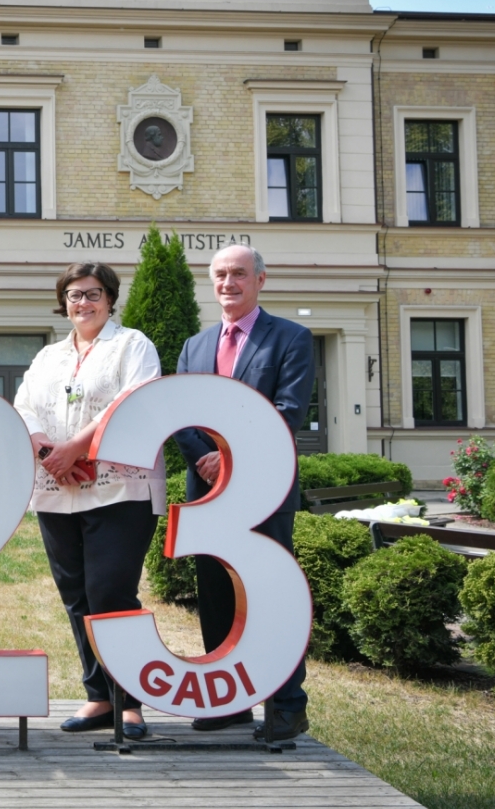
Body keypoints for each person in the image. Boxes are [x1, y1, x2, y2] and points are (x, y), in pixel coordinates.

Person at [13, 261, 165, 741]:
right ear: (64, 302)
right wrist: (48, 452)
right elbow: (24, 406)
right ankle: (99, 696)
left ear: (111, 298)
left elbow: (134, 400)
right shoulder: (48, 357)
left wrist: (76, 448)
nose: (84, 302)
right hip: (58, 491)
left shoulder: (132, 345)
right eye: (75, 294)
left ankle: (130, 701)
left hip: (119, 489)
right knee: (77, 596)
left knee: (111, 593)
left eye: (93, 293)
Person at [175, 244, 314, 741]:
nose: (227, 282)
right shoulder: (195, 345)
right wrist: (206, 460)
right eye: (219, 274)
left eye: (238, 273)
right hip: (207, 489)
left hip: (264, 487)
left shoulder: (292, 339)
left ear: (260, 280)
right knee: (214, 592)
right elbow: (181, 413)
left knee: (269, 592)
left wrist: (230, 456)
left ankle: (287, 705)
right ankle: (227, 701)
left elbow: (287, 410)